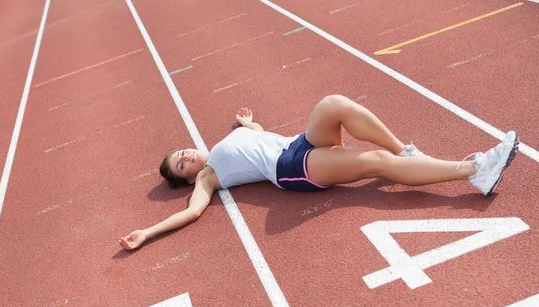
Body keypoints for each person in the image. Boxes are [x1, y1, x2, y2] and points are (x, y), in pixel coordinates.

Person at [119, 95, 519, 251]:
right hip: (294, 169)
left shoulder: (228, 140)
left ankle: (407, 153)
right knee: (374, 163)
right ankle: (475, 170)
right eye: (181, 163)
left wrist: (247, 122)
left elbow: (258, 135)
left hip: (298, 144)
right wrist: (147, 233)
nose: (187, 156)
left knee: (333, 104)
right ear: (187, 178)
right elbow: (191, 213)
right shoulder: (207, 177)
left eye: (182, 152)